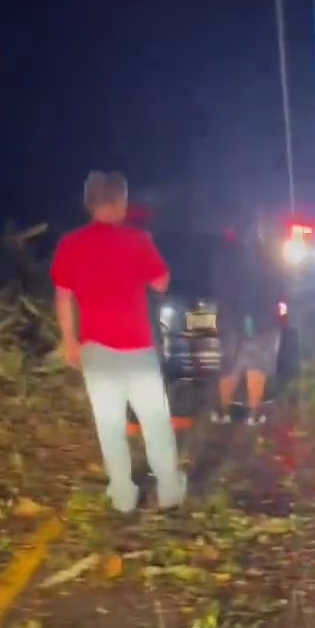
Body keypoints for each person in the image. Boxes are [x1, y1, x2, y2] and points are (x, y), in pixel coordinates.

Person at [50, 171, 187, 522]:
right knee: (155, 421)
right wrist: (146, 251)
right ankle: (169, 489)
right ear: (120, 201)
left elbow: (63, 298)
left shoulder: (71, 244)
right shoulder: (137, 239)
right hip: (138, 347)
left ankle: (123, 495)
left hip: (96, 348)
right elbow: (161, 283)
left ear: (89, 203)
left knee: (109, 424)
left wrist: (70, 341)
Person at [210, 219, 286, 427]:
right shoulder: (269, 257)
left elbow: (218, 284)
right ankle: (253, 413)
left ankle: (223, 411)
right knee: (257, 365)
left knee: (230, 364)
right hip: (262, 319)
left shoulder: (226, 255)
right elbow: (279, 287)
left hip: (231, 318)